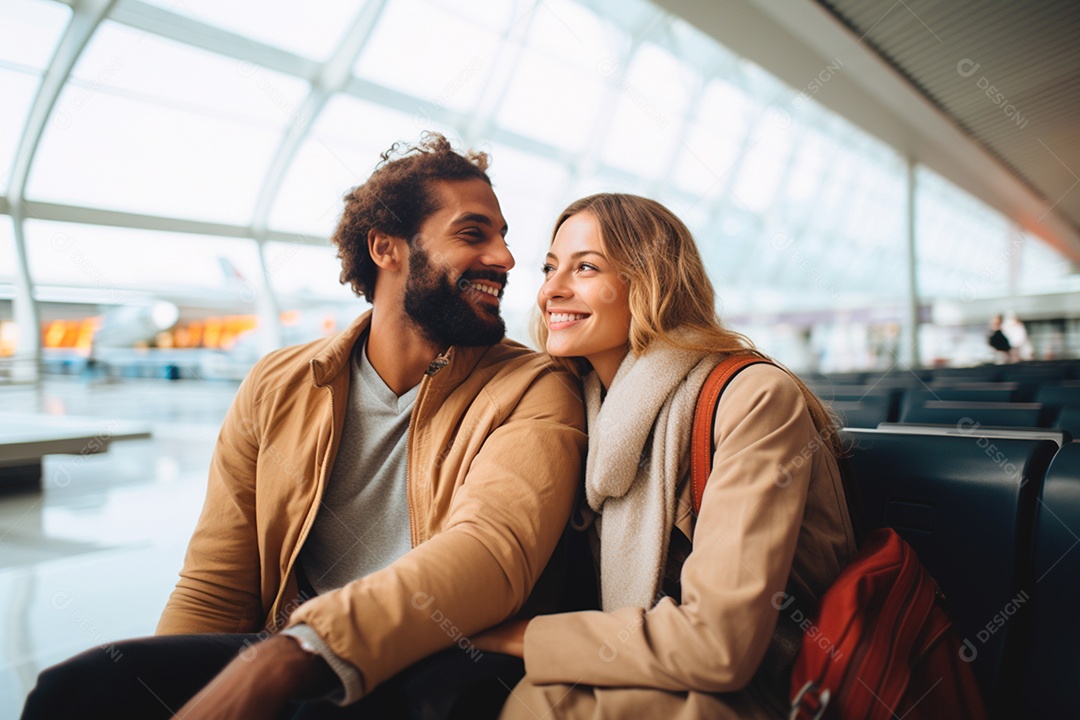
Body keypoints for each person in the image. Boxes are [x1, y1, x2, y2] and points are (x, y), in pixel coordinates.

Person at [21, 134, 587, 719]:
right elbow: (217, 587)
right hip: (294, 648)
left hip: (441, 658)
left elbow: (490, 555)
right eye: (474, 234)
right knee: (81, 689)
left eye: (504, 238)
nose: (507, 259)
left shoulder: (533, 387)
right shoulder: (278, 384)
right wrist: (173, 689)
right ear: (387, 248)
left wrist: (295, 651)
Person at [474, 194, 858, 719]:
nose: (551, 290)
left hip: (776, 687)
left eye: (585, 267)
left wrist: (519, 637)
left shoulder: (752, 398)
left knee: (541, 705)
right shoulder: (576, 405)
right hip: (662, 673)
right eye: (549, 267)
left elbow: (721, 645)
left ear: (652, 280)